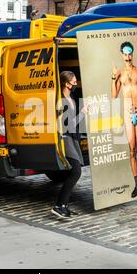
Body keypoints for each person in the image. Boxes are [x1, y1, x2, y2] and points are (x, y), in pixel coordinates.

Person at [111, 42, 137, 198]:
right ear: (122, 54)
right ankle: (136, 185)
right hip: (128, 114)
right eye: (125, 54)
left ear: (132, 54)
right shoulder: (119, 74)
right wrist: (113, 77)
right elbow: (114, 96)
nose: (128, 57)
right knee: (132, 149)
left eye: (130, 54)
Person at [51, 70, 87, 219]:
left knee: (73, 170)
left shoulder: (70, 97)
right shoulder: (62, 101)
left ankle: (63, 205)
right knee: (76, 171)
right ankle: (59, 205)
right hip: (66, 137)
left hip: (72, 138)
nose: (75, 84)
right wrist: (83, 113)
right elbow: (69, 124)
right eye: (73, 81)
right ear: (66, 83)